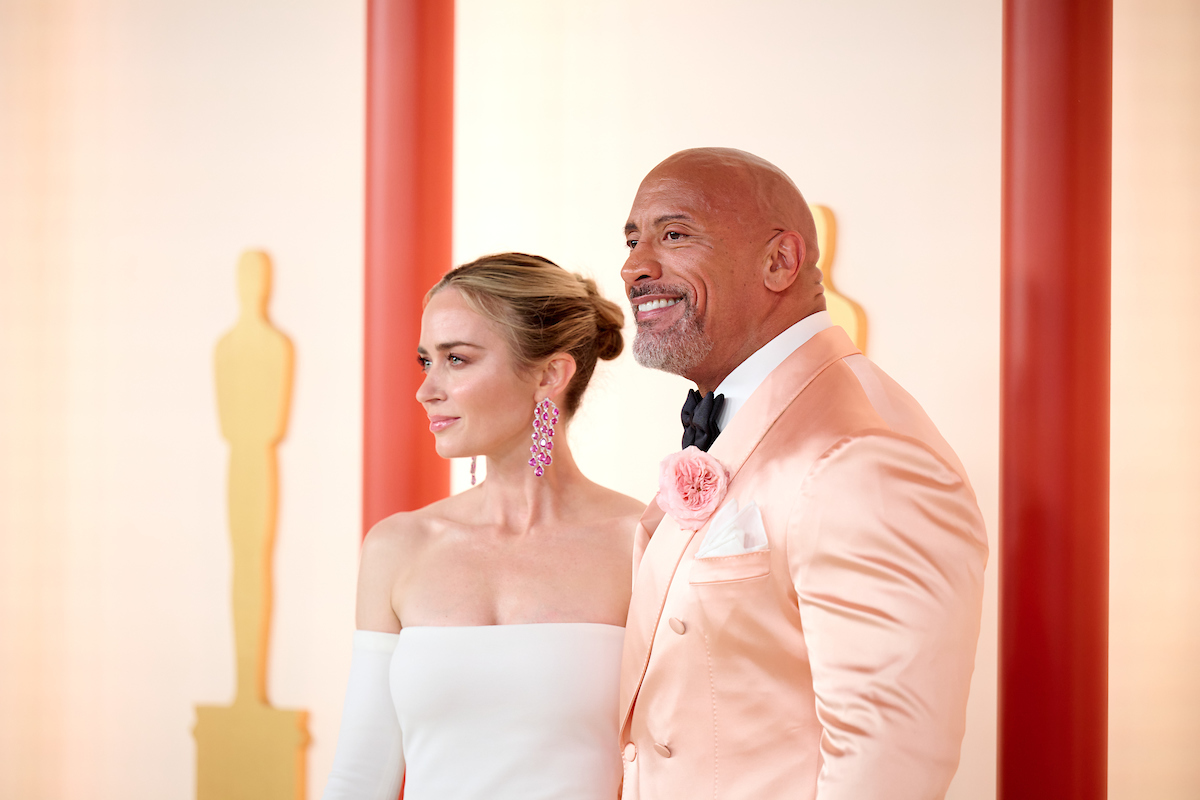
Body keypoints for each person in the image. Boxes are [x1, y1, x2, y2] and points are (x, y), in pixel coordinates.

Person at [617, 148, 988, 800]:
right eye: (632, 240)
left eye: (673, 235)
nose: (634, 267)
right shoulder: (737, 418)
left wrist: (535, 436)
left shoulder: (862, 455)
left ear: (780, 262)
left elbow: (887, 764)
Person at [322, 253, 644, 800]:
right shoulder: (398, 547)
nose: (427, 390)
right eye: (427, 361)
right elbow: (361, 775)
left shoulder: (642, 542)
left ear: (550, 374)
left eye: (458, 360)